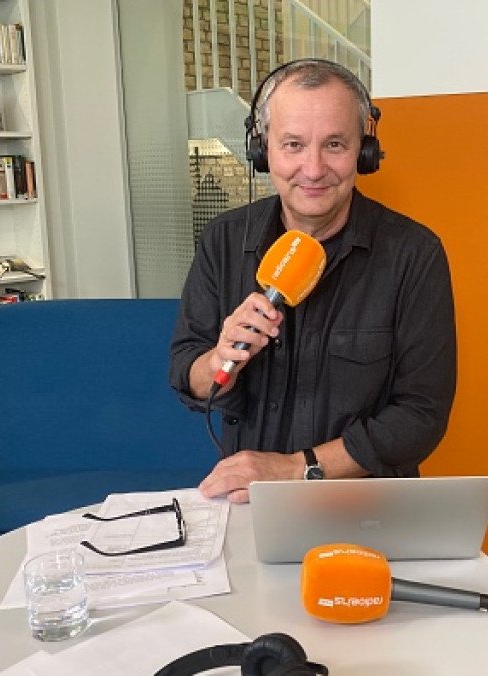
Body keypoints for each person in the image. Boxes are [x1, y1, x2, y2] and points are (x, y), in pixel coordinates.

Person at [169, 59, 456, 503]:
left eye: (335, 144)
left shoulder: (414, 255)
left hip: (367, 506)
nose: (314, 168)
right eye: (293, 145)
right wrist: (218, 358)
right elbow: (186, 375)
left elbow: (420, 417)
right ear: (263, 151)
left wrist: (293, 469)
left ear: (365, 150)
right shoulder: (223, 240)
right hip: (249, 502)